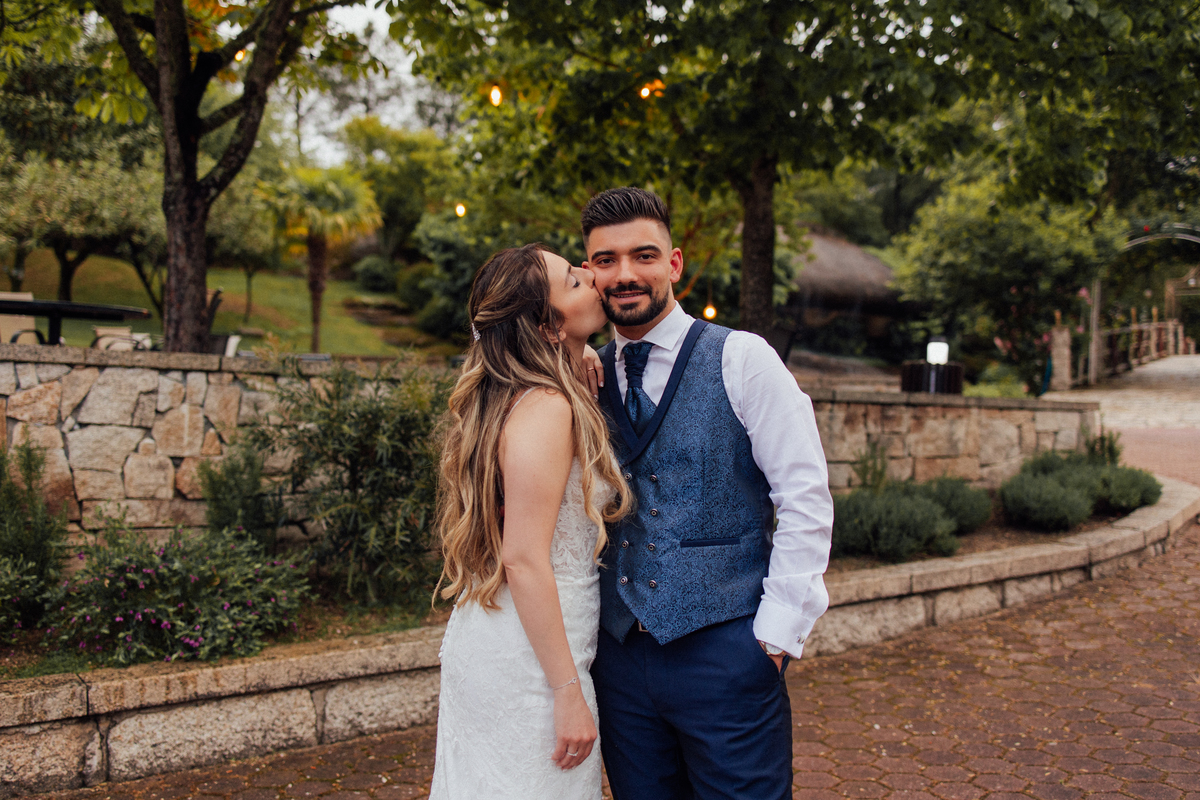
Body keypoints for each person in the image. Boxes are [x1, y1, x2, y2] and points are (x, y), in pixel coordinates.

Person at [584, 187, 834, 799]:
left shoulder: (742, 359)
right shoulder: (585, 373)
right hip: (618, 660)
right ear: (590, 273)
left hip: (727, 651)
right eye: (606, 260)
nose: (625, 274)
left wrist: (774, 638)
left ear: (673, 264)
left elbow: (804, 496)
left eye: (643, 256)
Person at [429, 243, 631, 799]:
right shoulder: (547, 408)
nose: (591, 276)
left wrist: (579, 352)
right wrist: (568, 691)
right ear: (546, 326)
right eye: (573, 280)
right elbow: (523, 556)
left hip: (514, 638)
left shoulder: (527, 395)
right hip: (534, 662)